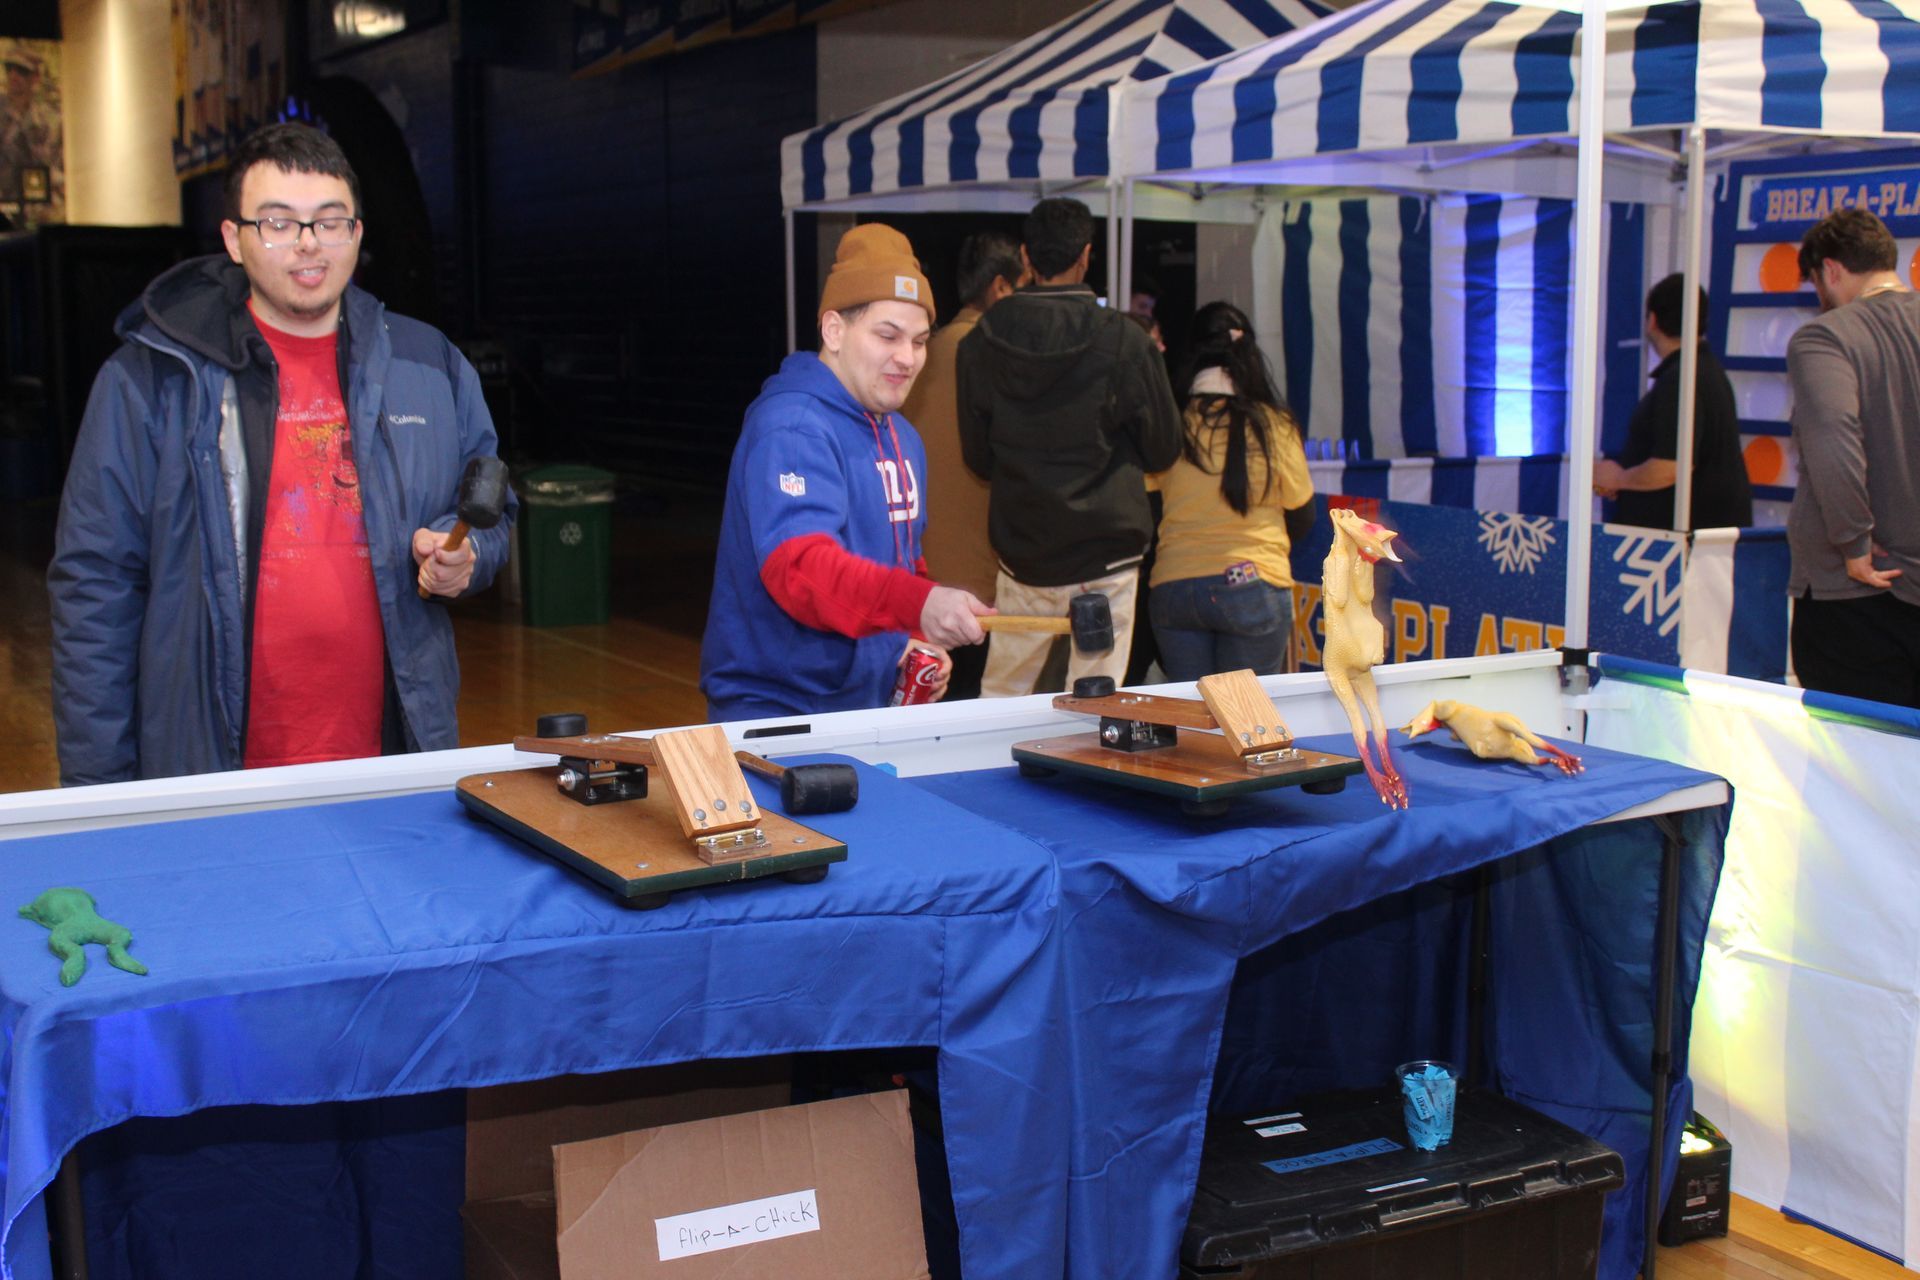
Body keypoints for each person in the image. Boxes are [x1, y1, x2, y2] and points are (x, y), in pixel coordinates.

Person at [48, 122, 514, 786]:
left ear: (356, 233)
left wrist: (463, 555)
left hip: (392, 760)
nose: (307, 246)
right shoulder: (151, 380)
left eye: (329, 222)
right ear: (234, 240)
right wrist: (97, 798)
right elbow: (95, 587)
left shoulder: (429, 364)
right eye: (277, 223)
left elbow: (497, 509)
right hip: (212, 768)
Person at [701, 224, 993, 720]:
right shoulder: (792, 427)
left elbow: (903, 561)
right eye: (888, 335)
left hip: (864, 707)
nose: (908, 358)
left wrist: (915, 636)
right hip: (777, 713)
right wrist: (918, 604)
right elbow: (801, 569)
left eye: (920, 341)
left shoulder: (903, 437)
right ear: (834, 330)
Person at [956, 197, 1183, 697]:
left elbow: (977, 458)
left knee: (1001, 702)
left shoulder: (980, 342)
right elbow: (1165, 450)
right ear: (1085, 255)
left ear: (1025, 257)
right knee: (1097, 706)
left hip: (1025, 551)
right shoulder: (1126, 341)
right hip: (1109, 557)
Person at [1783, 207, 1920, 708]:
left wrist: (1852, 542)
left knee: (1855, 769)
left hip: (1854, 598)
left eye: (1817, 283)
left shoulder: (1827, 336)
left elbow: (1833, 434)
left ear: (1831, 269)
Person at [1148, 302, 1314, 680]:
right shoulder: (1274, 424)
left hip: (1175, 589)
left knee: (1194, 722)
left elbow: (1150, 508)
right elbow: (1302, 516)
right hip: (1253, 584)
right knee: (1247, 723)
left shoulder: (1170, 424)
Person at [898, 230, 1023, 701]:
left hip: (917, 577)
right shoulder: (998, 357)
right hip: (979, 583)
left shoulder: (918, 357)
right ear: (1000, 288)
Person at [1592, 274, 1752, 530]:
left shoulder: (1683, 378)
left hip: (1684, 544)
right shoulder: (1703, 371)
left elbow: (1669, 466)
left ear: (1652, 320)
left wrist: (1619, 478)